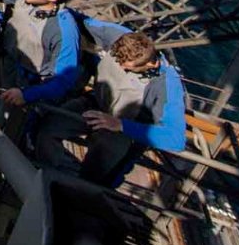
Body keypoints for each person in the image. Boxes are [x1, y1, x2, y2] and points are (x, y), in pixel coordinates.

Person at [35, 23, 185, 186]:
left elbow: (175, 139)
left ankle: (75, 194)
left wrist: (120, 125)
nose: (120, 67)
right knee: (48, 129)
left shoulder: (168, 84)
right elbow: (80, 20)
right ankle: (44, 175)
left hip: (122, 128)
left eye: (128, 68)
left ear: (151, 65)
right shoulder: (123, 39)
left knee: (95, 177)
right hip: (95, 104)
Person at [0, 0, 82, 111]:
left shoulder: (65, 31)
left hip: (30, 85)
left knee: (9, 119)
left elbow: (63, 79)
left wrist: (28, 94)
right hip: (7, 64)